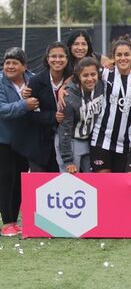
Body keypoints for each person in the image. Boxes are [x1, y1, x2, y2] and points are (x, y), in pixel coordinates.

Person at [90, 38, 131, 173]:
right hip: (101, 139)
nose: (123, 58)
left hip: (124, 143)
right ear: (113, 57)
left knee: (119, 188)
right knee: (104, 183)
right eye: (119, 55)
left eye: (126, 54)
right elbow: (84, 68)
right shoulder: (105, 73)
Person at [0, 48, 37, 236]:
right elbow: (2, 109)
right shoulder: (0, 82)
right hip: (4, 140)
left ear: (24, 66)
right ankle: (7, 222)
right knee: (5, 180)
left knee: (20, 180)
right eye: (7, 63)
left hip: (25, 140)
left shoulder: (34, 79)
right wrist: (24, 105)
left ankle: (15, 220)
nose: (10, 66)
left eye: (15, 63)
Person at [27, 42, 70, 172]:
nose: (57, 60)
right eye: (53, 56)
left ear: (67, 59)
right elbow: (30, 114)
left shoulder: (74, 78)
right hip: (42, 144)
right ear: (47, 58)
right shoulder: (36, 81)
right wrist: (53, 116)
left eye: (61, 56)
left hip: (68, 142)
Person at [57, 57, 104, 173]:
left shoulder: (101, 86)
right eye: (85, 75)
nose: (90, 79)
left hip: (88, 141)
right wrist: (68, 160)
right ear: (78, 76)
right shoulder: (68, 98)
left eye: (93, 74)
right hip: (70, 142)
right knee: (70, 182)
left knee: (90, 181)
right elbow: (65, 131)